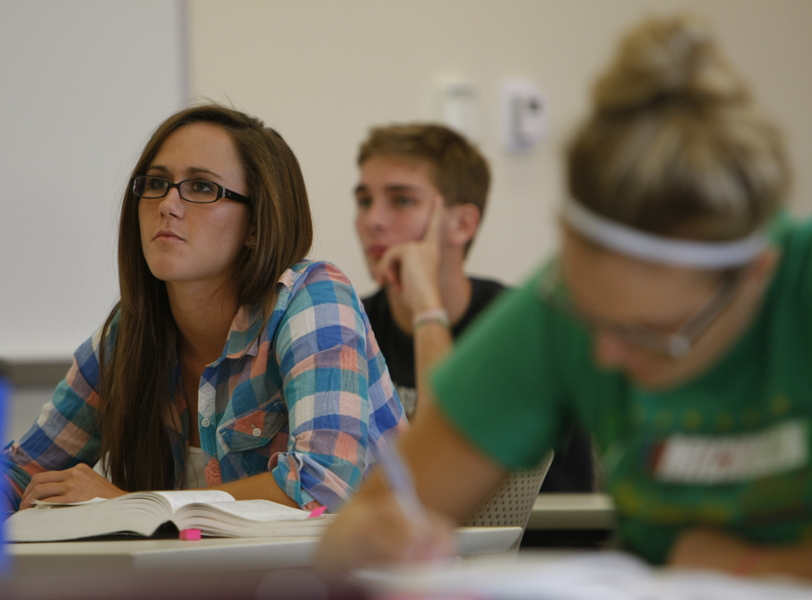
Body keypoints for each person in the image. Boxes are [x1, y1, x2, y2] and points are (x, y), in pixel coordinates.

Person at [318, 15, 812, 580]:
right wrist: (373, 541)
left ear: (756, 272)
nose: (602, 356)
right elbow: (362, 527)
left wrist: (732, 564)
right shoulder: (554, 308)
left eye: (648, 332)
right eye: (588, 317)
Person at [2, 103, 404, 513]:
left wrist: (135, 504)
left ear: (256, 226)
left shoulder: (312, 296)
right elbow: (20, 475)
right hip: (228, 576)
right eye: (156, 182)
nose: (167, 205)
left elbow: (325, 486)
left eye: (201, 188)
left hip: (381, 570)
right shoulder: (131, 332)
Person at [354, 123, 593, 492]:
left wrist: (425, 305)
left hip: (531, 544)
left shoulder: (523, 327)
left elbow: (438, 473)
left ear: (463, 224)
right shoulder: (350, 324)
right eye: (364, 201)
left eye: (402, 200)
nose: (373, 221)